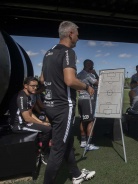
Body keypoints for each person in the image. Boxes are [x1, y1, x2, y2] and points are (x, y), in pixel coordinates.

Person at [40, 21, 95, 184]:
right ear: (70, 33)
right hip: (63, 107)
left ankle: (76, 174)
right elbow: (70, 80)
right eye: (77, 34)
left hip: (49, 105)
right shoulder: (68, 52)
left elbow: (42, 79)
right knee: (58, 149)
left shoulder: (48, 53)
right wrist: (86, 86)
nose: (78, 37)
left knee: (67, 140)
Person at [9, 76, 52, 165]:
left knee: (47, 125)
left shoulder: (27, 95)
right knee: (47, 129)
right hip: (18, 125)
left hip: (24, 123)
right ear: (25, 86)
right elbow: (27, 118)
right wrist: (43, 124)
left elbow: (30, 113)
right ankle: (44, 153)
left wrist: (42, 122)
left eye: (36, 86)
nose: (35, 88)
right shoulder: (22, 97)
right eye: (32, 86)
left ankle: (41, 148)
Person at [77, 59, 99, 151]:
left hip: (81, 99)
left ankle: (83, 142)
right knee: (90, 121)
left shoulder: (79, 74)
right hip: (88, 99)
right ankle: (89, 144)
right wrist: (95, 73)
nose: (93, 67)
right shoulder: (88, 74)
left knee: (82, 120)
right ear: (88, 65)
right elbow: (98, 83)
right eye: (92, 65)